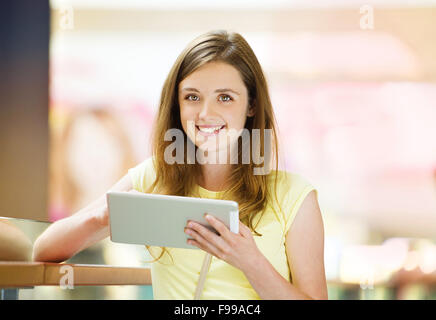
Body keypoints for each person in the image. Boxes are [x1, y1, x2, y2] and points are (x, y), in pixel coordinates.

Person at [33, 29, 327, 300]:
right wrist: (102, 217)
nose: (205, 113)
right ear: (177, 104)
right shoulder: (155, 176)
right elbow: (43, 250)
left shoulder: (294, 196)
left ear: (251, 105)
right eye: (192, 97)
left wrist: (251, 262)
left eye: (225, 98)